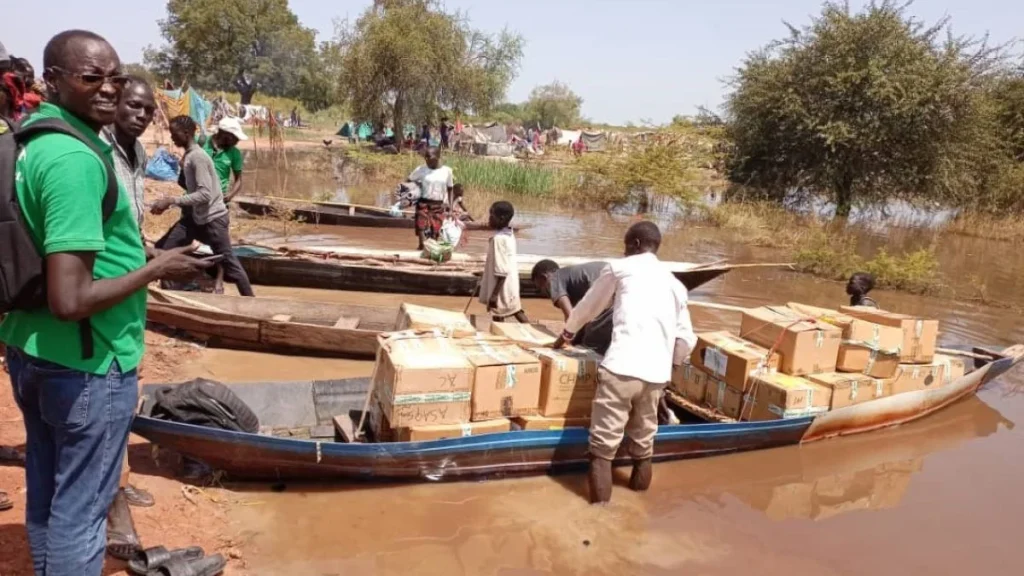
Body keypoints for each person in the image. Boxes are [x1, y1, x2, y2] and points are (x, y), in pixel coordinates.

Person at [1, 30, 215, 575]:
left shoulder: (33, 141)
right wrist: (157, 267)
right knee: (83, 511)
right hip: (89, 362)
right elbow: (70, 298)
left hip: (32, 345)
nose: (108, 89)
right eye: (89, 77)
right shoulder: (74, 159)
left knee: (48, 488)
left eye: (114, 77)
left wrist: (135, 253)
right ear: (52, 81)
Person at [553, 221, 696, 504]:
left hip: (621, 369)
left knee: (601, 450)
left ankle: (601, 517)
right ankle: (638, 507)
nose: (624, 249)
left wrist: (566, 335)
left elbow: (588, 307)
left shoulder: (620, 269)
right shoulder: (676, 285)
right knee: (644, 446)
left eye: (626, 244)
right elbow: (687, 338)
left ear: (636, 244)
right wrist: (670, 370)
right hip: (656, 377)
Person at [98, 76, 159, 511]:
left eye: (148, 111)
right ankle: (108, 498)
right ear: (115, 104)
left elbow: (127, 224)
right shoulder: (96, 152)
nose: (140, 115)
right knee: (105, 392)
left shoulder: (137, 154)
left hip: (128, 295)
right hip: (101, 293)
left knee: (123, 387)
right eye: (133, 106)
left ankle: (115, 485)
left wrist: (145, 250)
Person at [152, 115, 255, 297]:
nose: (172, 138)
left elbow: (205, 194)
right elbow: (191, 186)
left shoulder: (198, 157)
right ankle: (173, 296)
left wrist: (171, 201)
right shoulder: (194, 154)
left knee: (230, 264)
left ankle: (253, 304)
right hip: (195, 215)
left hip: (213, 218)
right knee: (162, 250)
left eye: (174, 134)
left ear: (185, 133)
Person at [531, 259, 612, 354]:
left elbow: (571, 317)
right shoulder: (572, 280)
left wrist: (558, 343)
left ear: (544, 277)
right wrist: (574, 342)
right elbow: (581, 320)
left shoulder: (554, 280)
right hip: (617, 286)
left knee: (591, 346)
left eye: (541, 287)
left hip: (607, 290)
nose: (543, 293)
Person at [480, 201, 529, 323]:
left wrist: (494, 294)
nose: (489, 219)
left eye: (491, 215)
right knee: (513, 309)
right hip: (510, 282)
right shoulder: (508, 234)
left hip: (502, 285)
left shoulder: (499, 239)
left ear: (501, 218)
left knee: (502, 309)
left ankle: (526, 330)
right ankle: (526, 329)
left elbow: (501, 270)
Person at [408, 146, 454, 249]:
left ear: (437, 157)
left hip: (438, 205)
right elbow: (409, 181)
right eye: (425, 157)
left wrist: (450, 207)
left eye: (429, 157)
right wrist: (415, 190)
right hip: (423, 203)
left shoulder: (447, 171)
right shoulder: (421, 170)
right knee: (421, 230)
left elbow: (450, 188)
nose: (427, 159)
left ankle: (431, 255)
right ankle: (421, 248)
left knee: (435, 234)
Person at [203, 116, 247, 202]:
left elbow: (238, 180)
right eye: (235, 137)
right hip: (195, 198)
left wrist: (230, 196)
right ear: (224, 134)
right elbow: (184, 163)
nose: (237, 141)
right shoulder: (201, 142)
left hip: (218, 200)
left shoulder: (235, 153)